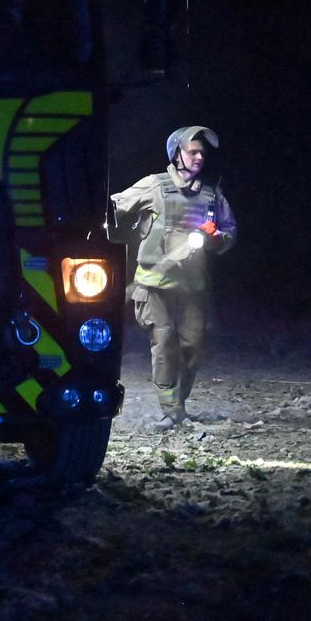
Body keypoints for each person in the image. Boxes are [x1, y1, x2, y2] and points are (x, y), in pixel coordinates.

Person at [108, 126, 237, 430]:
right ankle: (170, 412)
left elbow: (230, 232)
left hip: (194, 286)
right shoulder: (155, 186)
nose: (199, 156)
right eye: (192, 151)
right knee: (163, 342)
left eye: (202, 152)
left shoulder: (211, 195)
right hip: (153, 285)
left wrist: (218, 237)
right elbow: (114, 206)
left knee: (192, 347)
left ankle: (179, 404)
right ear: (176, 154)